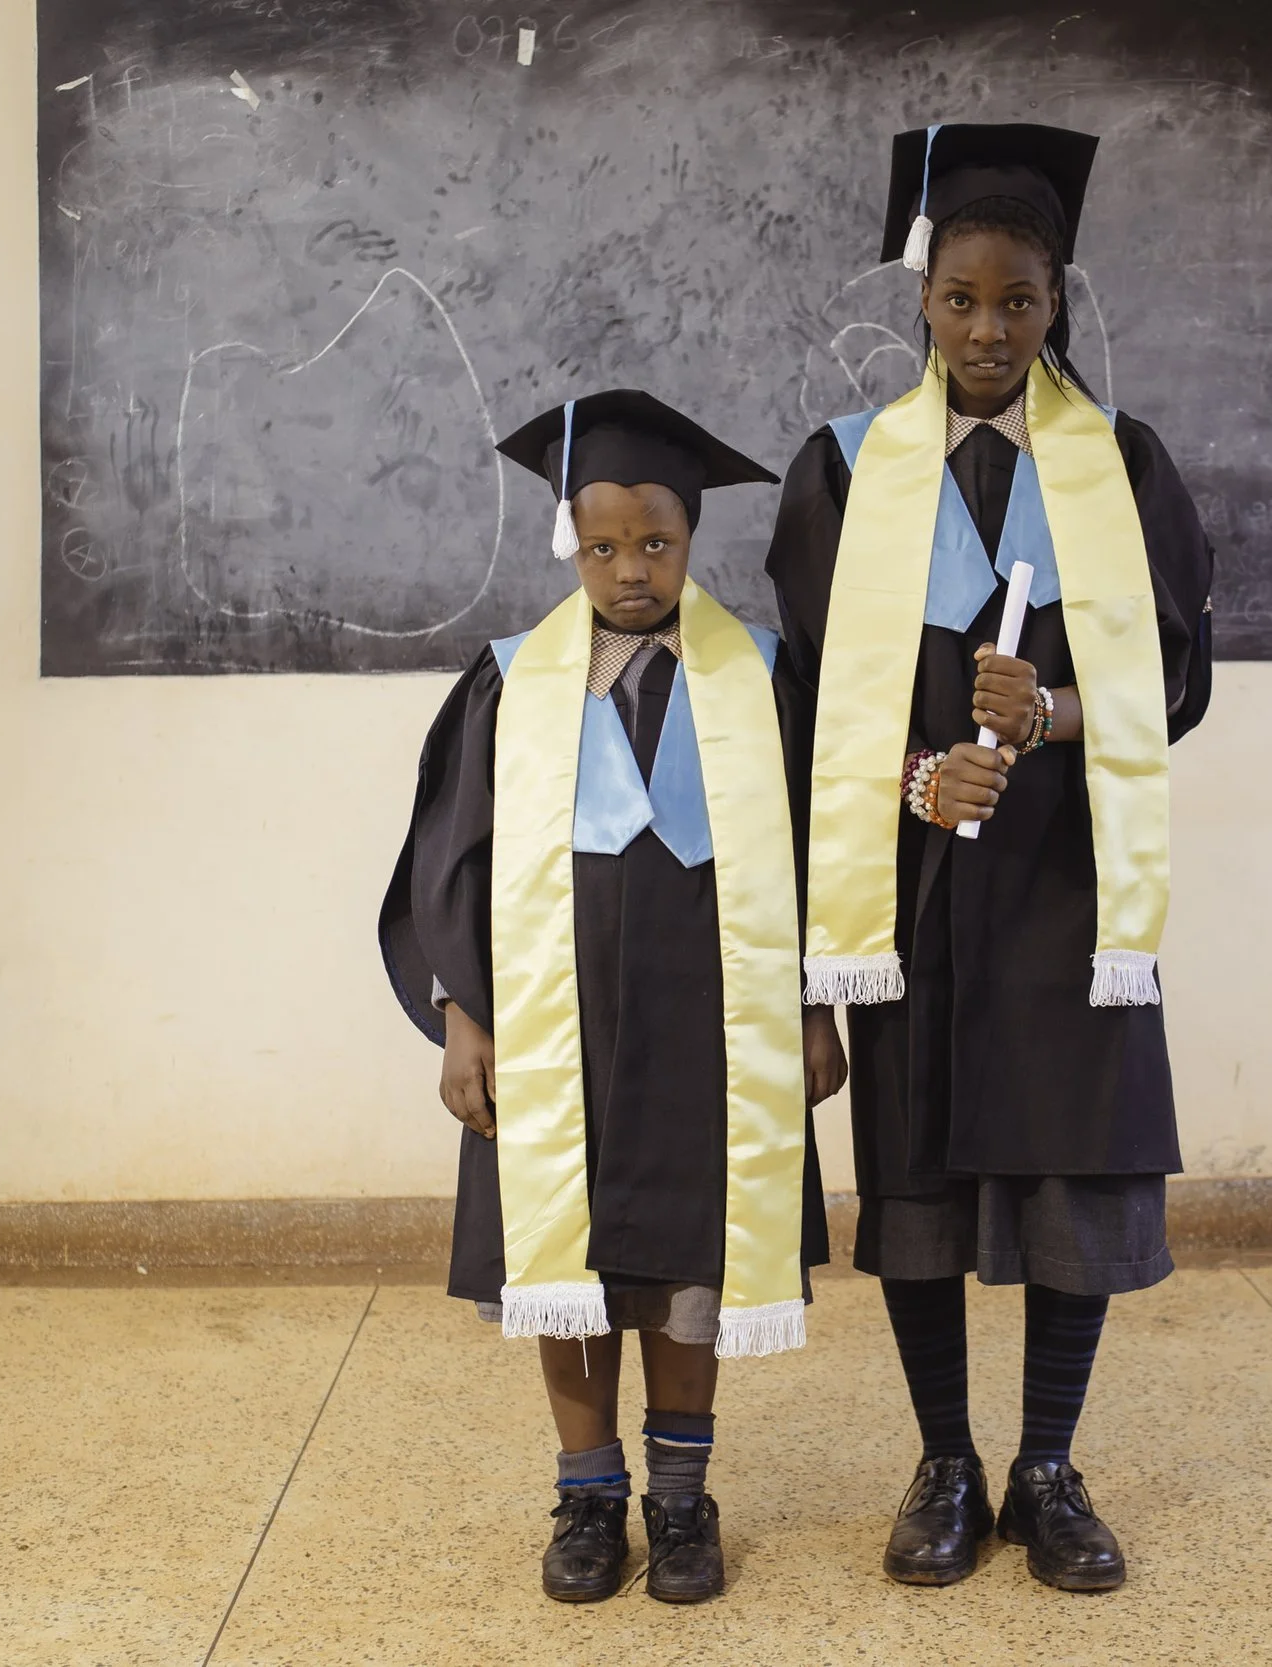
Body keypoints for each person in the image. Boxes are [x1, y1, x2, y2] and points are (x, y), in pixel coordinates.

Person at [766, 123, 1215, 1593]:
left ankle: (1049, 1463)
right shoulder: (842, 472)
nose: (986, 329)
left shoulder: (1122, 465)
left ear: (1055, 303)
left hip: (1075, 883)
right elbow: (810, 698)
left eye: (1017, 300)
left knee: (1072, 1164)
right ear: (922, 301)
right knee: (918, 1163)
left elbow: (1187, 680)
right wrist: (917, 769)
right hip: (912, 877)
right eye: (960, 297)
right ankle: (946, 1458)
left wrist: (1061, 707)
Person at [381, 390, 846, 1605]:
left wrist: (811, 1006)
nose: (630, 570)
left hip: (712, 1029)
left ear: (693, 538)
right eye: (602, 547)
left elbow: (810, 853)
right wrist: (461, 1016)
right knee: (566, 1253)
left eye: (656, 544)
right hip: (555, 1029)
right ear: (566, 542)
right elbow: (449, 861)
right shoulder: (506, 682)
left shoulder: (760, 679)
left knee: (693, 1252)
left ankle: (681, 1500)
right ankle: (588, 1490)